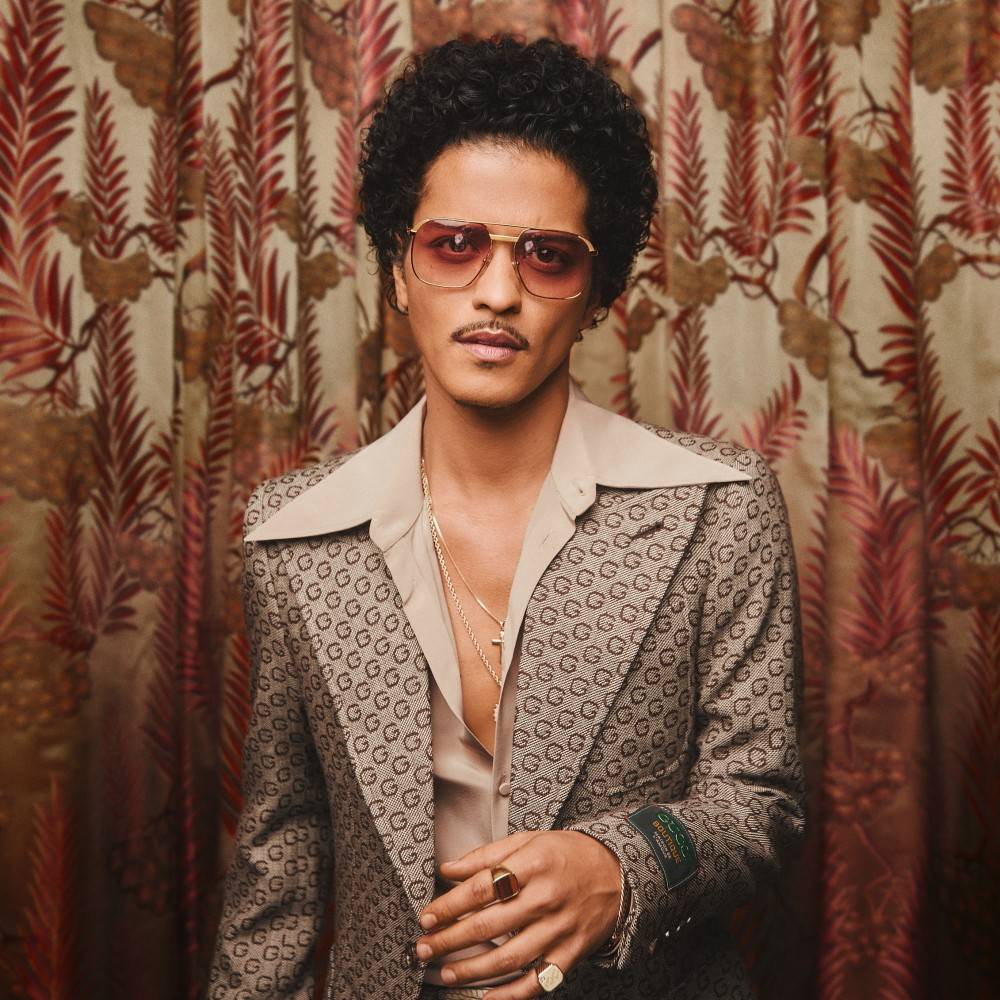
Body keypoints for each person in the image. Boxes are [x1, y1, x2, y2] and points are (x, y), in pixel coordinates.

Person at [207, 35, 804, 1000]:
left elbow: (762, 803)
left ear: (597, 294)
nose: (497, 292)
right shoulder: (294, 538)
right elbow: (280, 861)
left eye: (547, 257)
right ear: (397, 269)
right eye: (454, 245)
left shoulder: (719, 510)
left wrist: (620, 866)